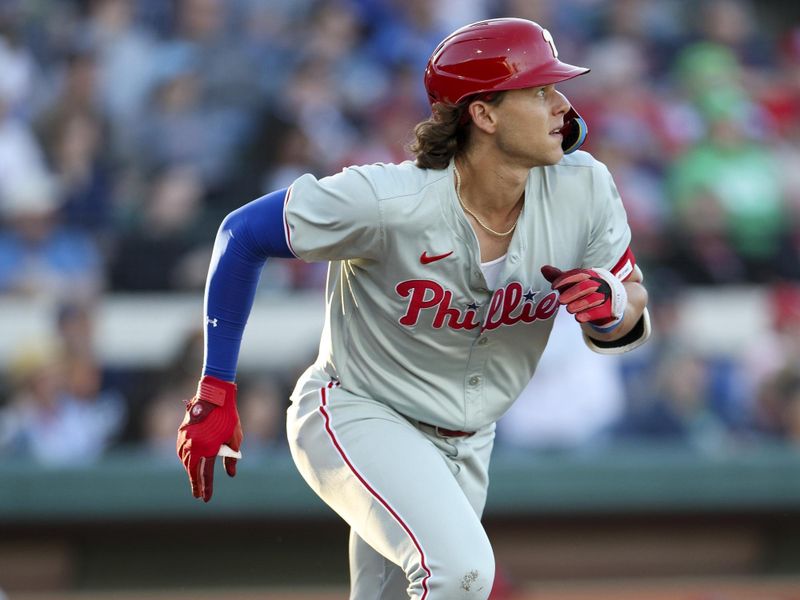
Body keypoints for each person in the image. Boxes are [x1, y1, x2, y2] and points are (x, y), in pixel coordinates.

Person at [176, 18, 651, 599]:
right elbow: (241, 234)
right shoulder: (389, 199)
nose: (562, 105)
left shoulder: (585, 187)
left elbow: (631, 303)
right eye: (541, 91)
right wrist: (215, 387)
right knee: (462, 574)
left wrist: (611, 305)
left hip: (468, 441)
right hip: (358, 413)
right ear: (484, 113)